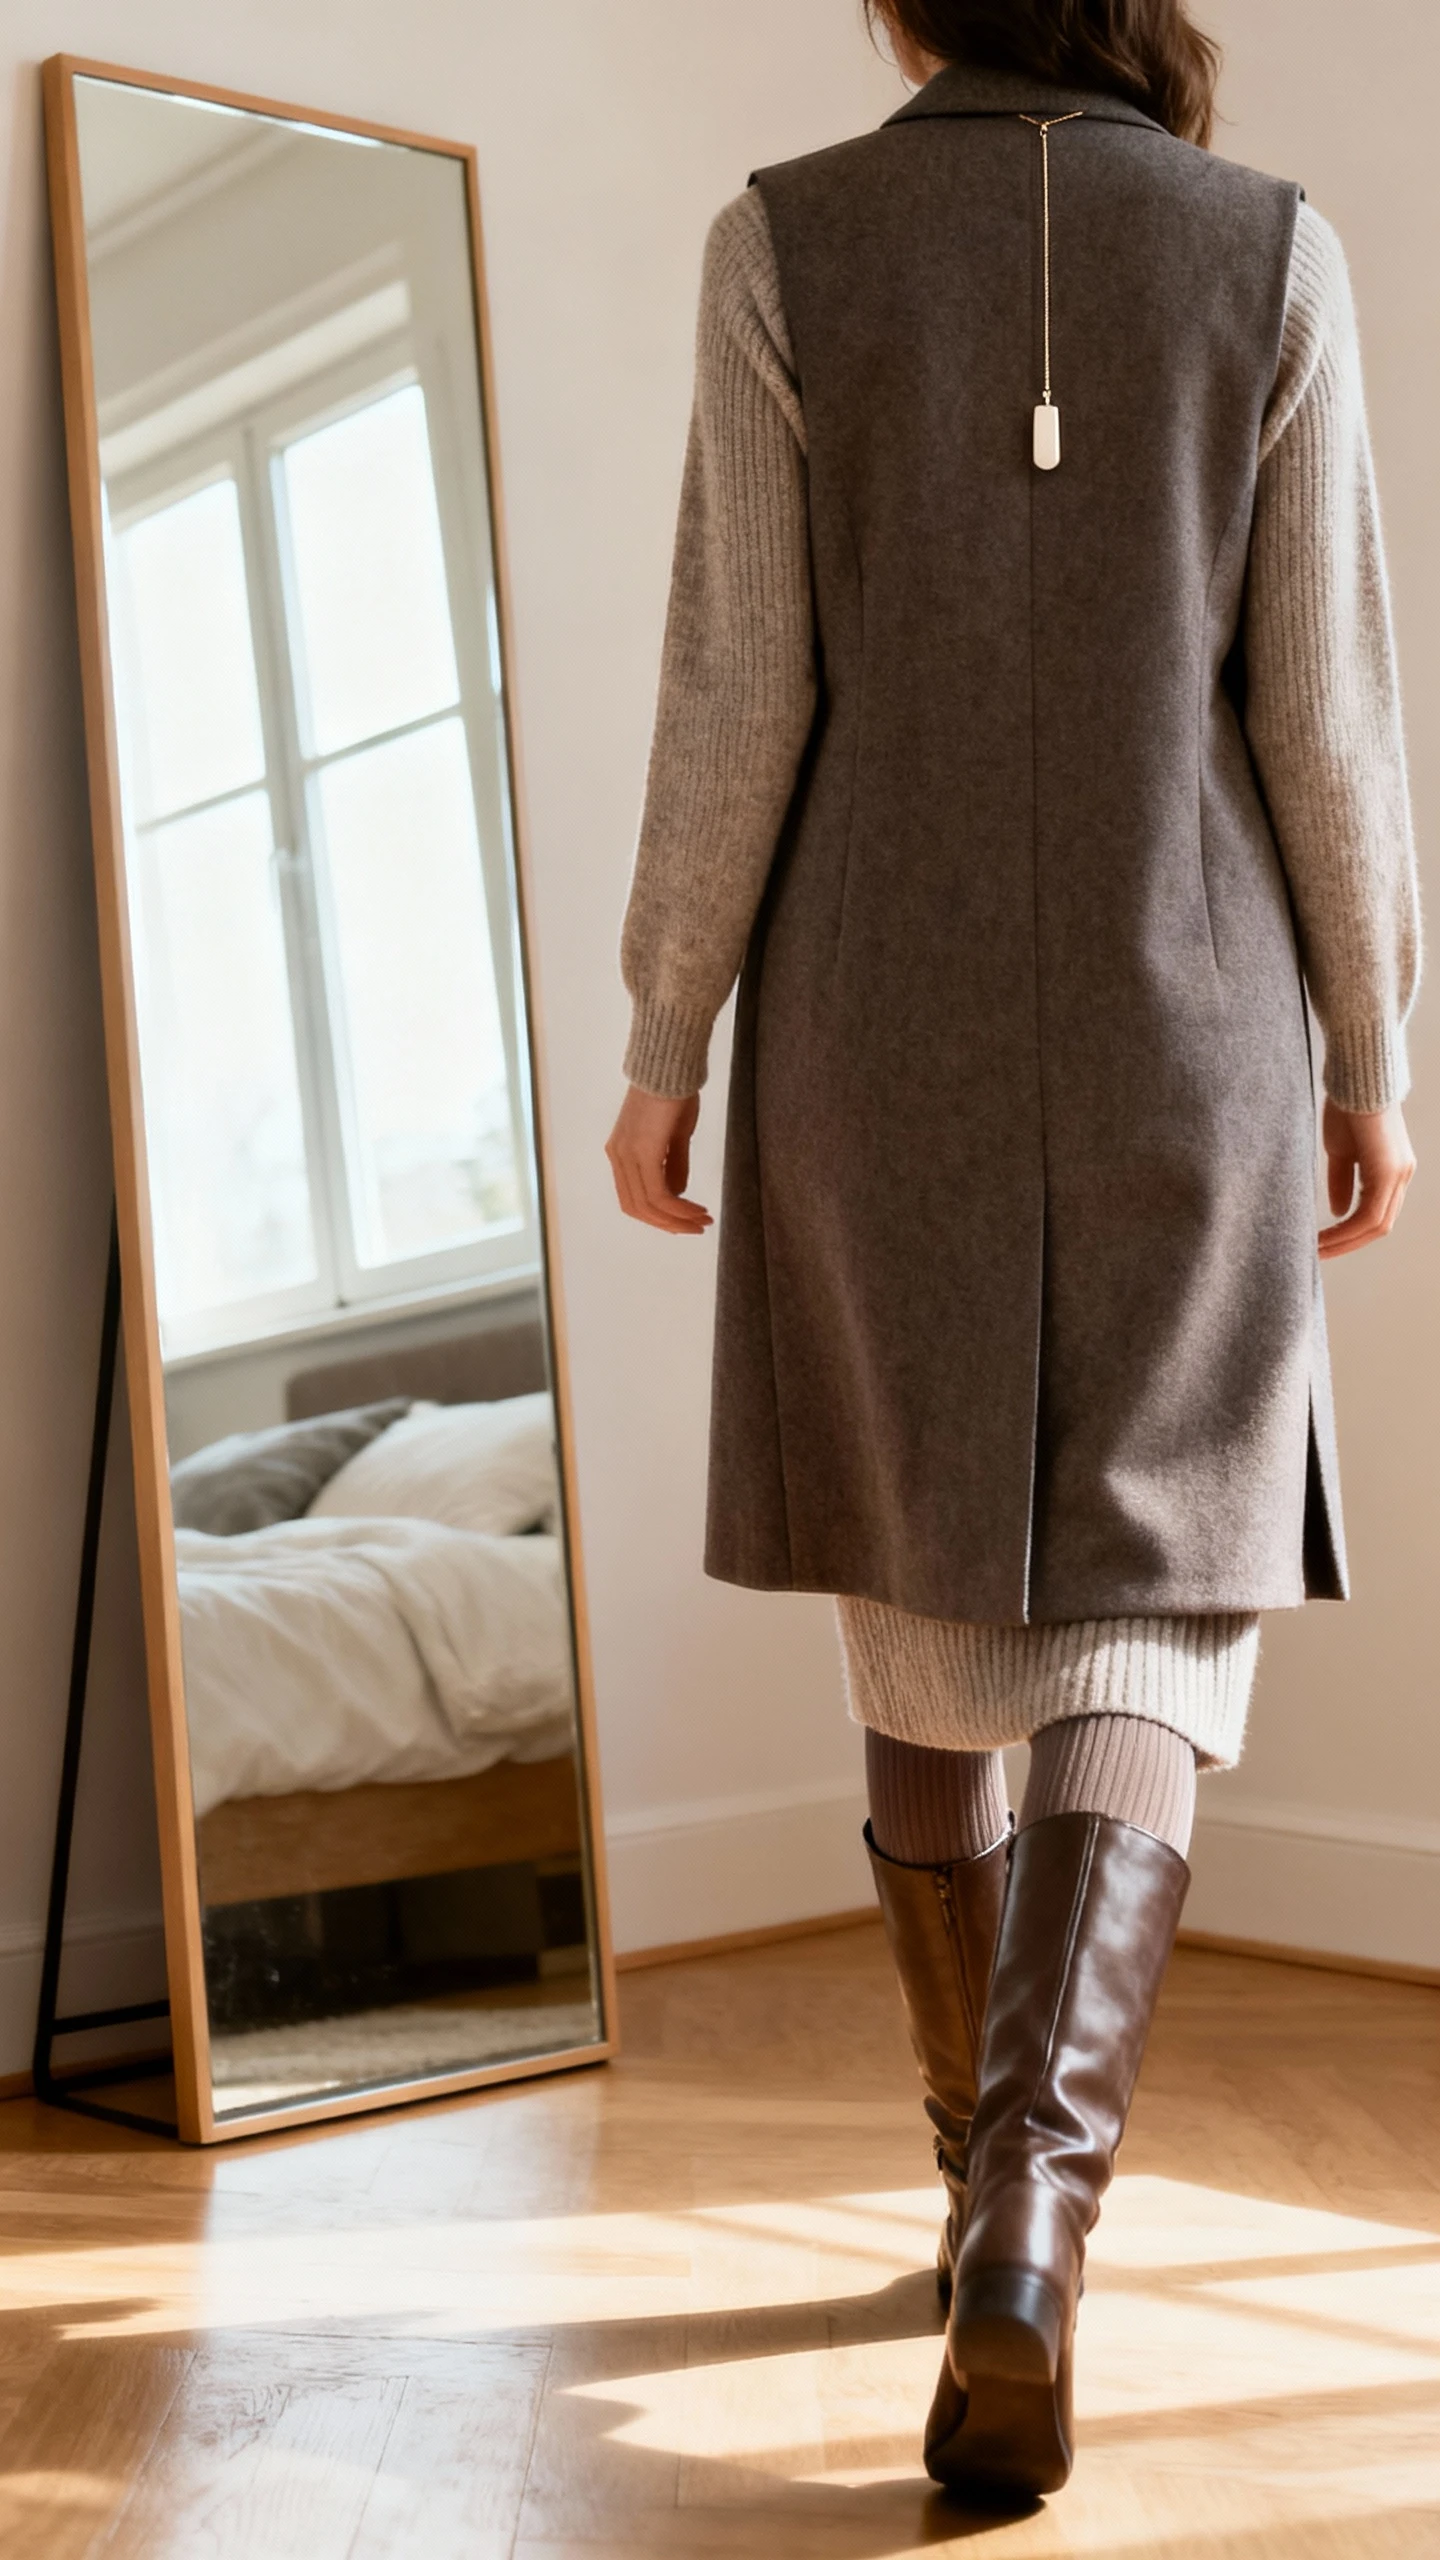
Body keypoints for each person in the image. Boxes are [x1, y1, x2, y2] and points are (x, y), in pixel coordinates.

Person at [607, 0, 1420, 2503]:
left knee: (923, 1560)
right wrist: (1374, 1045)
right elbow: (1326, 718)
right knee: (1141, 1603)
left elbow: (741, 685)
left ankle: (977, 2174)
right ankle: (1031, 2231)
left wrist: (673, 1029)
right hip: (1196, 1016)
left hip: (878, 1012)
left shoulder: (786, 244)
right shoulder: (1273, 258)